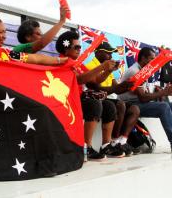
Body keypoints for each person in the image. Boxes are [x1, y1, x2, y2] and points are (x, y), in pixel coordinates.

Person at [56, 31, 131, 160]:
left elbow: (95, 80)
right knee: (94, 104)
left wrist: (107, 71)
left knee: (109, 106)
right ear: (66, 47)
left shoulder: (77, 64)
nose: (80, 49)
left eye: (80, 47)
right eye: (77, 47)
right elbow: (80, 79)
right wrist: (103, 66)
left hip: (78, 97)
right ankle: (87, 147)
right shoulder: (63, 61)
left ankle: (106, 144)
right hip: (67, 99)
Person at [118, 47, 172, 152]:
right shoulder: (134, 71)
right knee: (164, 107)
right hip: (130, 105)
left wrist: (159, 93)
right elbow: (143, 98)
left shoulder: (142, 70)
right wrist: (164, 92)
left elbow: (144, 95)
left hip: (138, 103)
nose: (154, 62)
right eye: (151, 59)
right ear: (143, 58)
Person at [85, 42, 140, 156]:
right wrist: (119, 87)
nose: (110, 57)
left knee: (134, 109)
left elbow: (116, 88)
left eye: (112, 54)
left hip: (106, 98)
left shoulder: (107, 67)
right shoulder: (90, 66)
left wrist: (127, 86)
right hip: (94, 98)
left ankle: (120, 141)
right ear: (98, 53)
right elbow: (97, 88)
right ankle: (111, 142)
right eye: (108, 53)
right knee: (119, 105)